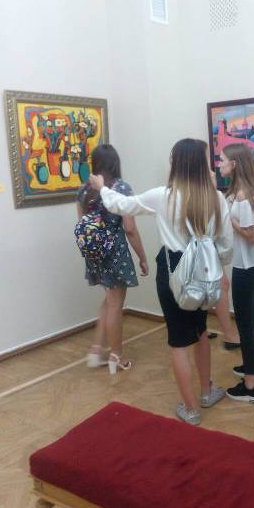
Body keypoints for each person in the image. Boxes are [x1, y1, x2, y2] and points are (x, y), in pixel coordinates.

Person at [89, 138, 233, 426]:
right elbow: (227, 246)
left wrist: (101, 187)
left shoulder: (163, 196)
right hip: (204, 272)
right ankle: (206, 393)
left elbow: (121, 205)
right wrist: (213, 262)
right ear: (201, 164)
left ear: (176, 164)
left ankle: (190, 409)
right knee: (201, 331)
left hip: (172, 272)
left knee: (179, 341)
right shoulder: (216, 198)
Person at [77, 144, 148, 372]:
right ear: (115, 163)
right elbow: (129, 228)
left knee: (109, 300)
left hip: (94, 254)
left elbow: (82, 223)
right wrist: (142, 257)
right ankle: (116, 356)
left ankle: (96, 350)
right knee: (116, 303)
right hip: (115, 253)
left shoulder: (84, 189)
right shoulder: (121, 188)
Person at [218, 143, 254, 402]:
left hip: (246, 268)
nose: (219, 164)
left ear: (234, 164)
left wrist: (232, 222)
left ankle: (250, 386)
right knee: (252, 317)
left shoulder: (243, 196)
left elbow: (251, 235)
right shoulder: (245, 192)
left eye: (222, 159)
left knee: (245, 324)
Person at [202, 142, 241, 350]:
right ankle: (228, 334)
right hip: (204, 247)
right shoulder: (205, 187)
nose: (217, 164)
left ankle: (213, 331)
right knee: (221, 285)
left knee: (220, 285)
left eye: (221, 160)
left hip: (208, 246)